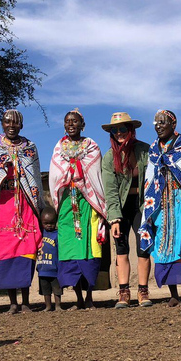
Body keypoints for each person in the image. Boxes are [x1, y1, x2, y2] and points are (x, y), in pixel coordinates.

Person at [0, 109, 44, 314]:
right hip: (1, 206)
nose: (11, 126)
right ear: (2, 123)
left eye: (15, 123)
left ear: (21, 126)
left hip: (25, 205)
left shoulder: (30, 148)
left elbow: (34, 180)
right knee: (5, 254)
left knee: (26, 254)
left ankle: (25, 302)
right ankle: (12, 302)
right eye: (7, 122)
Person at [49, 109, 106, 309]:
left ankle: (89, 297)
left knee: (90, 248)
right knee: (69, 250)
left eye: (75, 121)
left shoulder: (91, 146)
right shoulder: (58, 147)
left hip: (88, 202)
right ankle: (78, 299)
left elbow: (94, 172)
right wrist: (70, 173)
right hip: (66, 205)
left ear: (82, 124)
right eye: (67, 121)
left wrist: (76, 172)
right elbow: (57, 174)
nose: (71, 124)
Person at [138, 110, 181, 307]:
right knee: (163, 247)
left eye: (163, 122)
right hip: (161, 204)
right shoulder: (154, 150)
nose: (159, 126)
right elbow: (150, 176)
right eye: (156, 123)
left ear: (174, 124)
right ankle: (173, 294)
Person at [101, 112, 151, 308]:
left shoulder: (145, 151)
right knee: (121, 247)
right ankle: (123, 292)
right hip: (120, 207)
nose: (119, 133)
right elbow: (110, 190)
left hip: (142, 205)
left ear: (131, 130)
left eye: (123, 128)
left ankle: (143, 291)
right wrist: (114, 219)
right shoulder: (108, 158)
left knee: (143, 247)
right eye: (115, 129)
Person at [37, 206, 62, 311]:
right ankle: (47, 306)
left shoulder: (57, 234)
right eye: (46, 223)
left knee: (57, 289)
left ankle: (58, 305)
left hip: (54, 269)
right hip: (42, 269)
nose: (49, 226)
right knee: (45, 290)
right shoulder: (40, 233)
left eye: (51, 223)